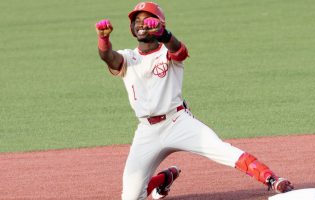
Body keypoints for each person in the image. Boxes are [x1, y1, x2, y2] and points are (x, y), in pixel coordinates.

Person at [95, 2, 294, 200]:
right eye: (136, 21)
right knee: (130, 197)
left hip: (178, 122)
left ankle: (272, 179)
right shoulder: (128, 57)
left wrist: (164, 35)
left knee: (221, 149)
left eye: (148, 19)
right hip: (147, 131)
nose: (141, 24)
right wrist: (103, 39)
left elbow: (179, 50)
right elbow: (108, 57)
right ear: (131, 27)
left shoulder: (167, 51)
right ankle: (164, 179)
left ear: (160, 24)